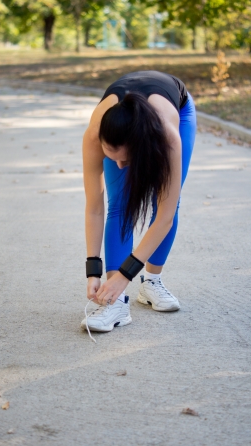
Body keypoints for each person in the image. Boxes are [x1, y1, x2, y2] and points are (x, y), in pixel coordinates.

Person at [81, 70, 196, 333]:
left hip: (178, 107)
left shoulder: (166, 138)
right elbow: (95, 209)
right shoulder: (94, 135)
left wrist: (126, 274)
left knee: (166, 202)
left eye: (125, 159)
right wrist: (93, 272)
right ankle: (116, 302)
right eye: (112, 158)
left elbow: (165, 215)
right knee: (118, 206)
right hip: (128, 117)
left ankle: (151, 282)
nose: (120, 165)